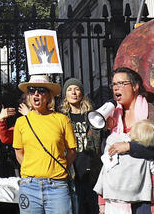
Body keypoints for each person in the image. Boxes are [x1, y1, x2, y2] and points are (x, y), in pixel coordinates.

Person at [94, 67, 154, 214]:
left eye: (121, 83)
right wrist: (106, 130)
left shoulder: (152, 112)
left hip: (142, 192)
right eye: (114, 84)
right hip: (116, 191)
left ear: (135, 86)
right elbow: (106, 156)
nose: (116, 88)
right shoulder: (112, 114)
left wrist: (129, 147)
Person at [13, 75, 76, 214]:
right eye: (31, 90)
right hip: (29, 186)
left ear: (49, 96)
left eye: (41, 90)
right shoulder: (21, 122)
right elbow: (19, 152)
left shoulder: (62, 120)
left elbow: (72, 151)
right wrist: (32, 170)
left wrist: (58, 169)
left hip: (57, 186)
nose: (36, 94)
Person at [94, 119, 154, 214]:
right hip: (133, 195)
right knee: (152, 178)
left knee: (104, 174)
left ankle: (102, 208)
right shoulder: (145, 156)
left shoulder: (117, 146)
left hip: (111, 192)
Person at [59, 78, 101, 214]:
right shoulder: (62, 118)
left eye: (76, 89)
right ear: (65, 94)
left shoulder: (92, 116)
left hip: (91, 170)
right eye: (69, 89)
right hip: (72, 171)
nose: (73, 93)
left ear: (82, 93)